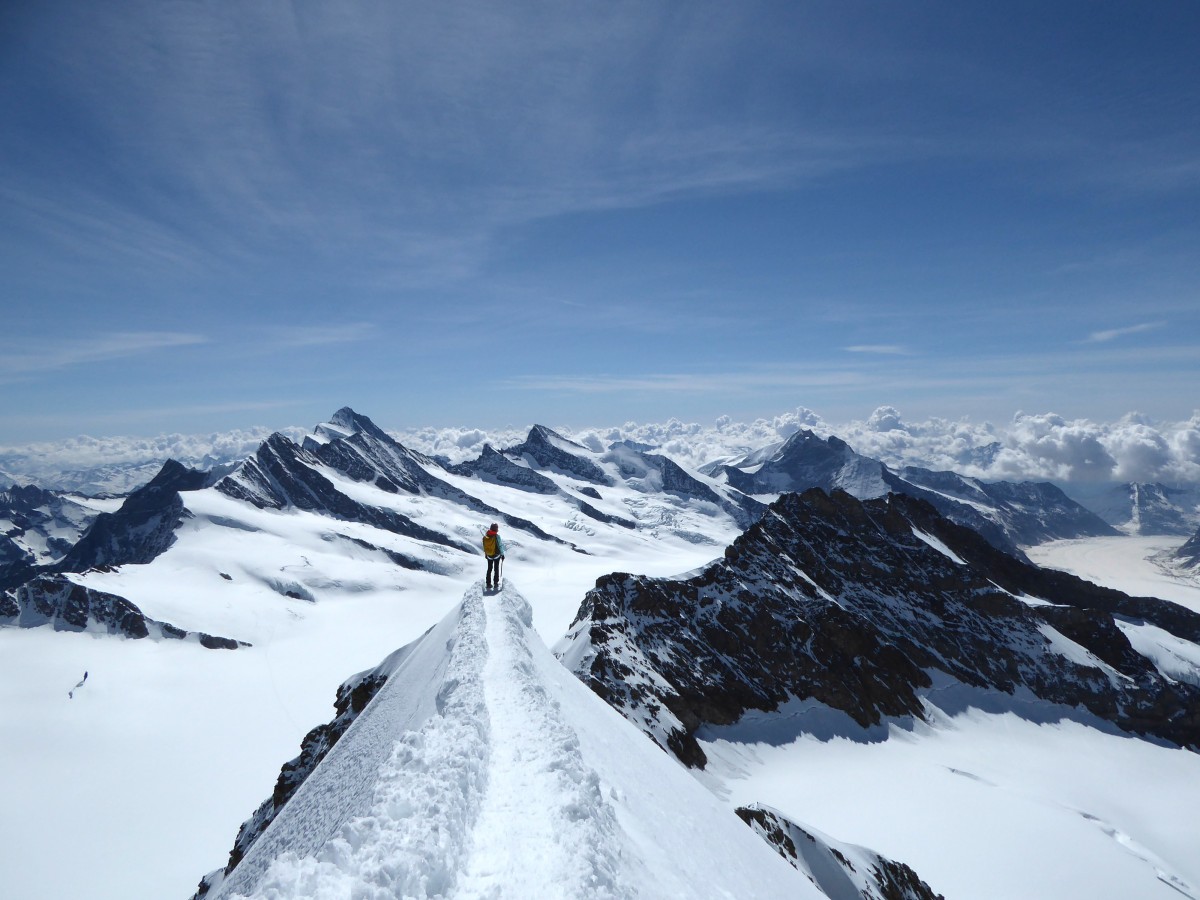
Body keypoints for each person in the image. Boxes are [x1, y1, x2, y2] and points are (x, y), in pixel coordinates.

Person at [483, 523, 505, 592]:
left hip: (489, 555)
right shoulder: (496, 536)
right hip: (496, 555)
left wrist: (486, 554)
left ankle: (488, 583)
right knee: (496, 568)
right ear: (496, 529)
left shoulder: (486, 536)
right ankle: (495, 583)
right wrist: (502, 554)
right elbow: (500, 546)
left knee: (489, 569)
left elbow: (484, 546)